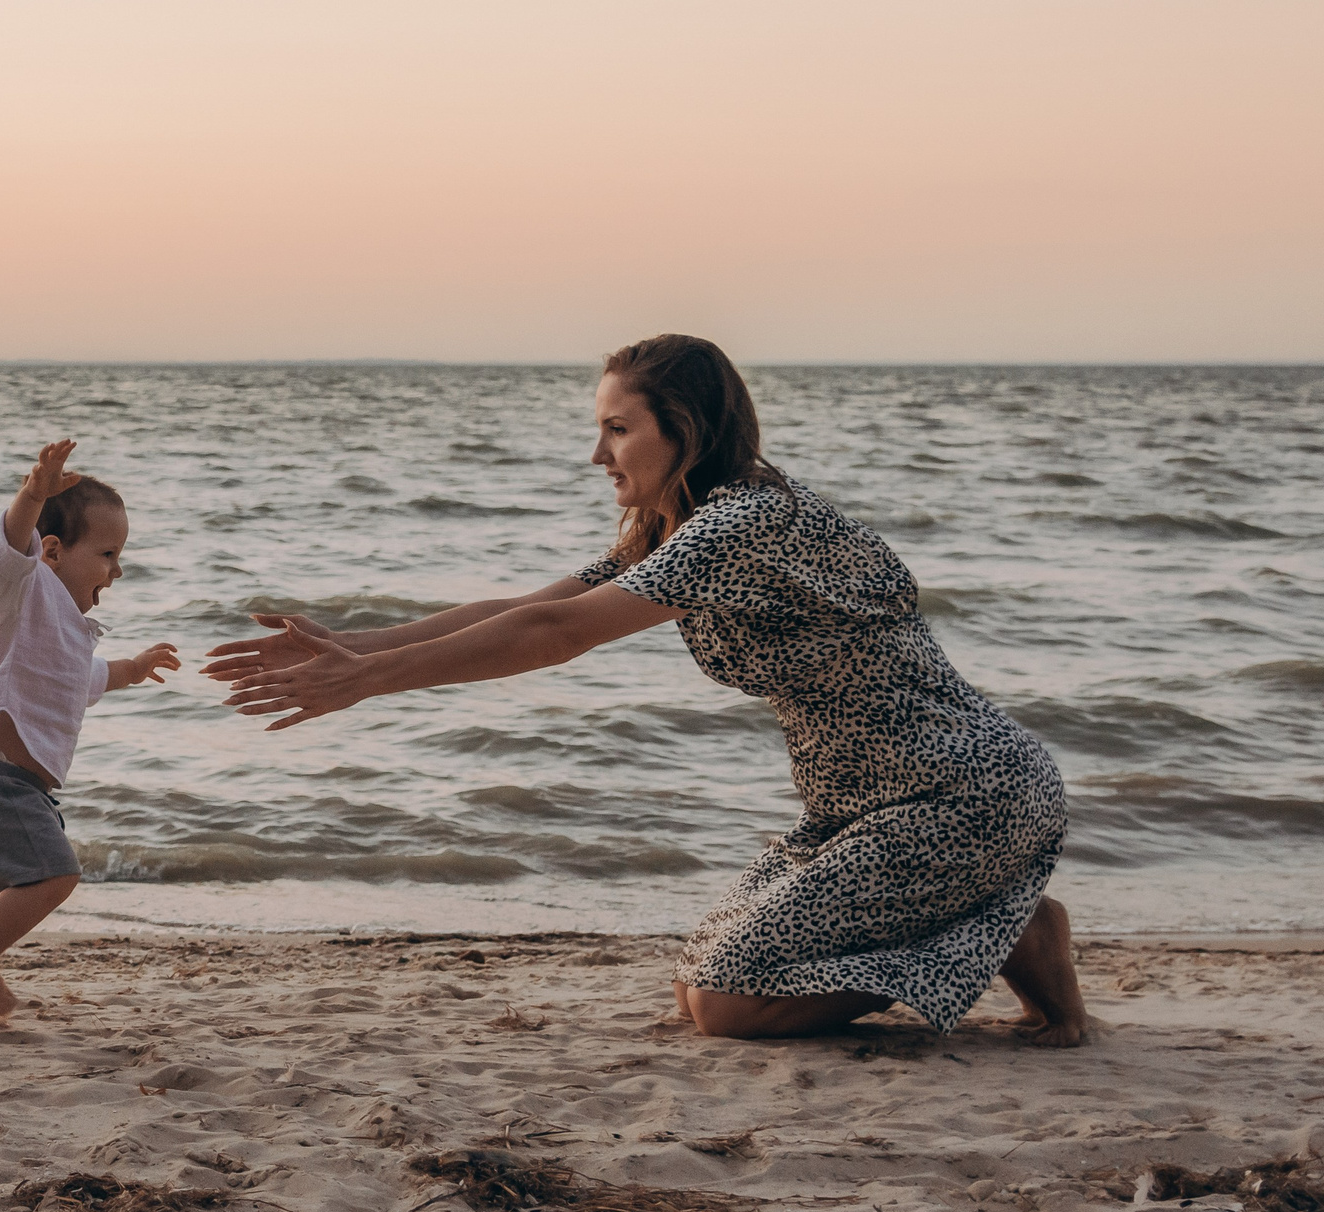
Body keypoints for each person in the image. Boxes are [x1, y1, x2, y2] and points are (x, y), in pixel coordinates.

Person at [205, 336, 1086, 1047]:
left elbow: (560, 636)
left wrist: (369, 682)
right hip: (864, 810)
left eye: (619, 429)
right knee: (696, 984)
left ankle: (999, 923)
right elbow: (528, 606)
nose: (598, 454)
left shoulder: (745, 523)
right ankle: (1013, 921)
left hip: (961, 796)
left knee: (728, 1006)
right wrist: (351, 645)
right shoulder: (691, 523)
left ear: (687, 428)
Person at [0, 440, 180, 1029]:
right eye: (109, 553)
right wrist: (34, 494)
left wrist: (133, 669)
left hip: (5, 789)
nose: (118, 570)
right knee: (56, 875)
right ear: (54, 552)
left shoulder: (65, 631)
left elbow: (84, 679)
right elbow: (5, 551)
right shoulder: (17, 592)